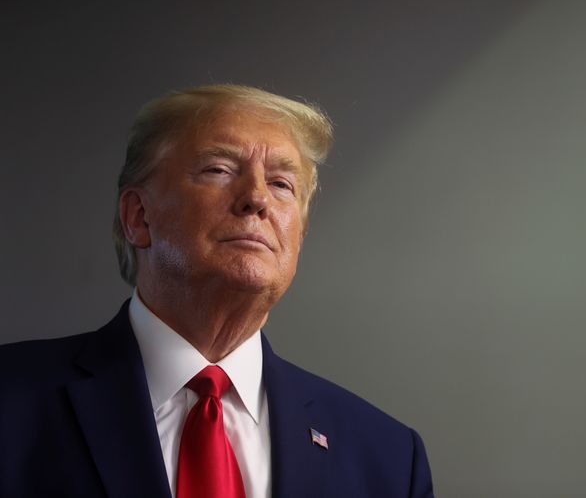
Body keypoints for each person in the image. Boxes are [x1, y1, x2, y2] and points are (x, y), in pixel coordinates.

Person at [0, 85, 434, 498]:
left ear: (298, 235)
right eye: (220, 170)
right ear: (139, 217)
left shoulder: (388, 458)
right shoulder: (13, 402)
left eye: (282, 183)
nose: (257, 198)